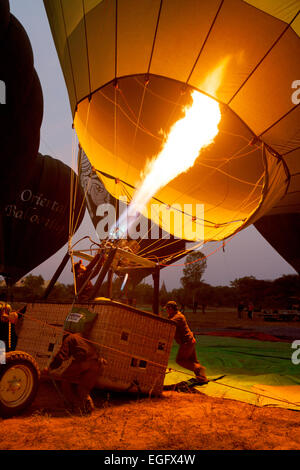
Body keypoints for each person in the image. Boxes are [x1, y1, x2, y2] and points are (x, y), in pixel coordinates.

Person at [43, 330, 107, 414]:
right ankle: (88, 409)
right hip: (97, 363)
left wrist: (50, 368)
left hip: (84, 361)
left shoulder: (69, 338)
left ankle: (71, 404)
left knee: (65, 378)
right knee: (83, 389)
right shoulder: (81, 336)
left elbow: (61, 356)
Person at [165, 300, 208, 384]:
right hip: (190, 340)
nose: (166, 311)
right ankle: (202, 378)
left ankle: (198, 369)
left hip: (186, 342)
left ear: (170, 308)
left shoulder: (177, 317)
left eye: (167, 309)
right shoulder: (175, 315)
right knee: (193, 361)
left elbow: (168, 324)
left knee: (180, 360)